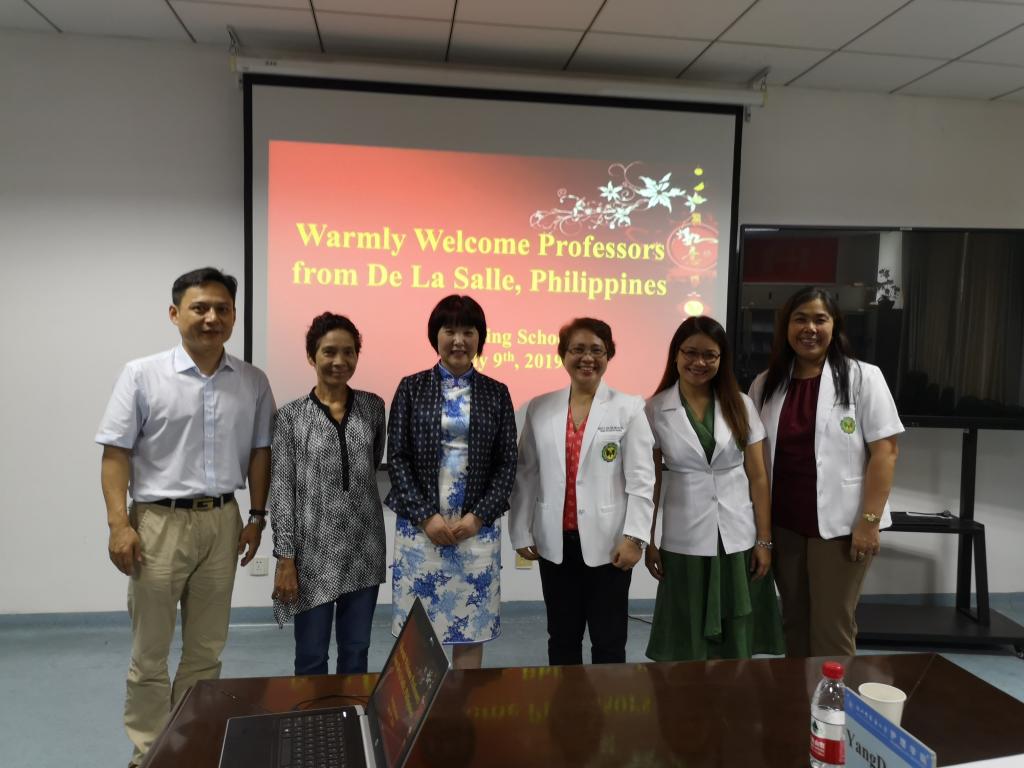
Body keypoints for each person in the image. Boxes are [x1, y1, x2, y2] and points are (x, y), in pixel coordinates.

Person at [96, 267, 275, 767]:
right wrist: (119, 524)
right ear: (175, 314)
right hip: (157, 524)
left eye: (222, 309)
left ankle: (189, 746)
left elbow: (260, 452)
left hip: (223, 522)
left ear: (234, 316)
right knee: (150, 652)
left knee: (206, 650)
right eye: (200, 308)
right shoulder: (142, 374)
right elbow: (115, 454)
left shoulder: (253, 382)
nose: (211, 317)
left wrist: (256, 517)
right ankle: (150, 754)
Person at [749, 286, 903, 657]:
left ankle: (832, 696)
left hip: (842, 527)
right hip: (785, 524)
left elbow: (886, 452)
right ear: (786, 327)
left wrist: (869, 521)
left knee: (831, 626)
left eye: (820, 319)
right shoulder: (765, 384)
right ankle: (799, 694)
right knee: (794, 621)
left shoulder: (864, 377)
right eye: (800, 319)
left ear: (835, 326)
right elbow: (755, 460)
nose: (810, 328)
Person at [509, 317, 655, 665]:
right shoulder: (540, 407)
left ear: (608, 355)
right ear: (563, 354)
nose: (587, 358)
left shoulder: (628, 408)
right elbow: (526, 473)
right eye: (577, 349)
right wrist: (520, 531)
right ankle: (566, 702)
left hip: (611, 547)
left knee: (609, 641)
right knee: (562, 639)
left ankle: (607, 702)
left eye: (596, 350)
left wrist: (635, 538)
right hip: (555, 544)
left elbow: (641, 479)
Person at [386, 295, 517, 669]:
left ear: (480, 338)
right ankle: (419, 703)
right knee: (418, 633)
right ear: (436, 336)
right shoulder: (411, 388)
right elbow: (397, 457)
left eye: (468, 332)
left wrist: (478, 517)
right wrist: (426, 517)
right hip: (420, 532)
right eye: (450, 331)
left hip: (475, 533)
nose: (459, 340)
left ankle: (463, 702)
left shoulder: (496, 392)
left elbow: (507, 462)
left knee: (470, 628)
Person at [643, 316, 784, 661]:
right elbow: (651, 481)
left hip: (737, 536)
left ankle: (733, 691)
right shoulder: (655, 409)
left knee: (737, 635)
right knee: (687, 631)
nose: (699, 362)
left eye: (710, 355)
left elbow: (759, 477)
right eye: (690, 352)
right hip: (684, 536)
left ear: (722, 360)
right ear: (676, 355)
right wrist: (648, 540)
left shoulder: (741, 404)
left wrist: (764, 541)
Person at [268, 313, 386, 675]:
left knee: (356, 651)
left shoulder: (373, 407)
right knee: (311, 654)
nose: (340, 361)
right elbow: (282, 490)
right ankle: (313, 712)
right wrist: (285, 558)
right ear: (311, 356)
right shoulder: (290, 417)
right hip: (312, 555)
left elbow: (372, 462)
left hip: (364, 549)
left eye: (348, 352)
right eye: (329, 352)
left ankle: (351, 709)